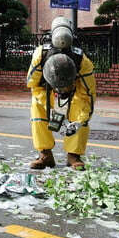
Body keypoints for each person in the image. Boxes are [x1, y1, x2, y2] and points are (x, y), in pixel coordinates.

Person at [26, 16, 96, 171]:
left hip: (74, 89)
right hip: (45, 89)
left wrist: (82, 118)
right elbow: (33, 84)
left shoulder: (81, 60)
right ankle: (45, 154)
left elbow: (88, 93)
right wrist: (48, 105)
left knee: (80, 112)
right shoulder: (41, 55)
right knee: (37, 111)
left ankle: (74, 155)